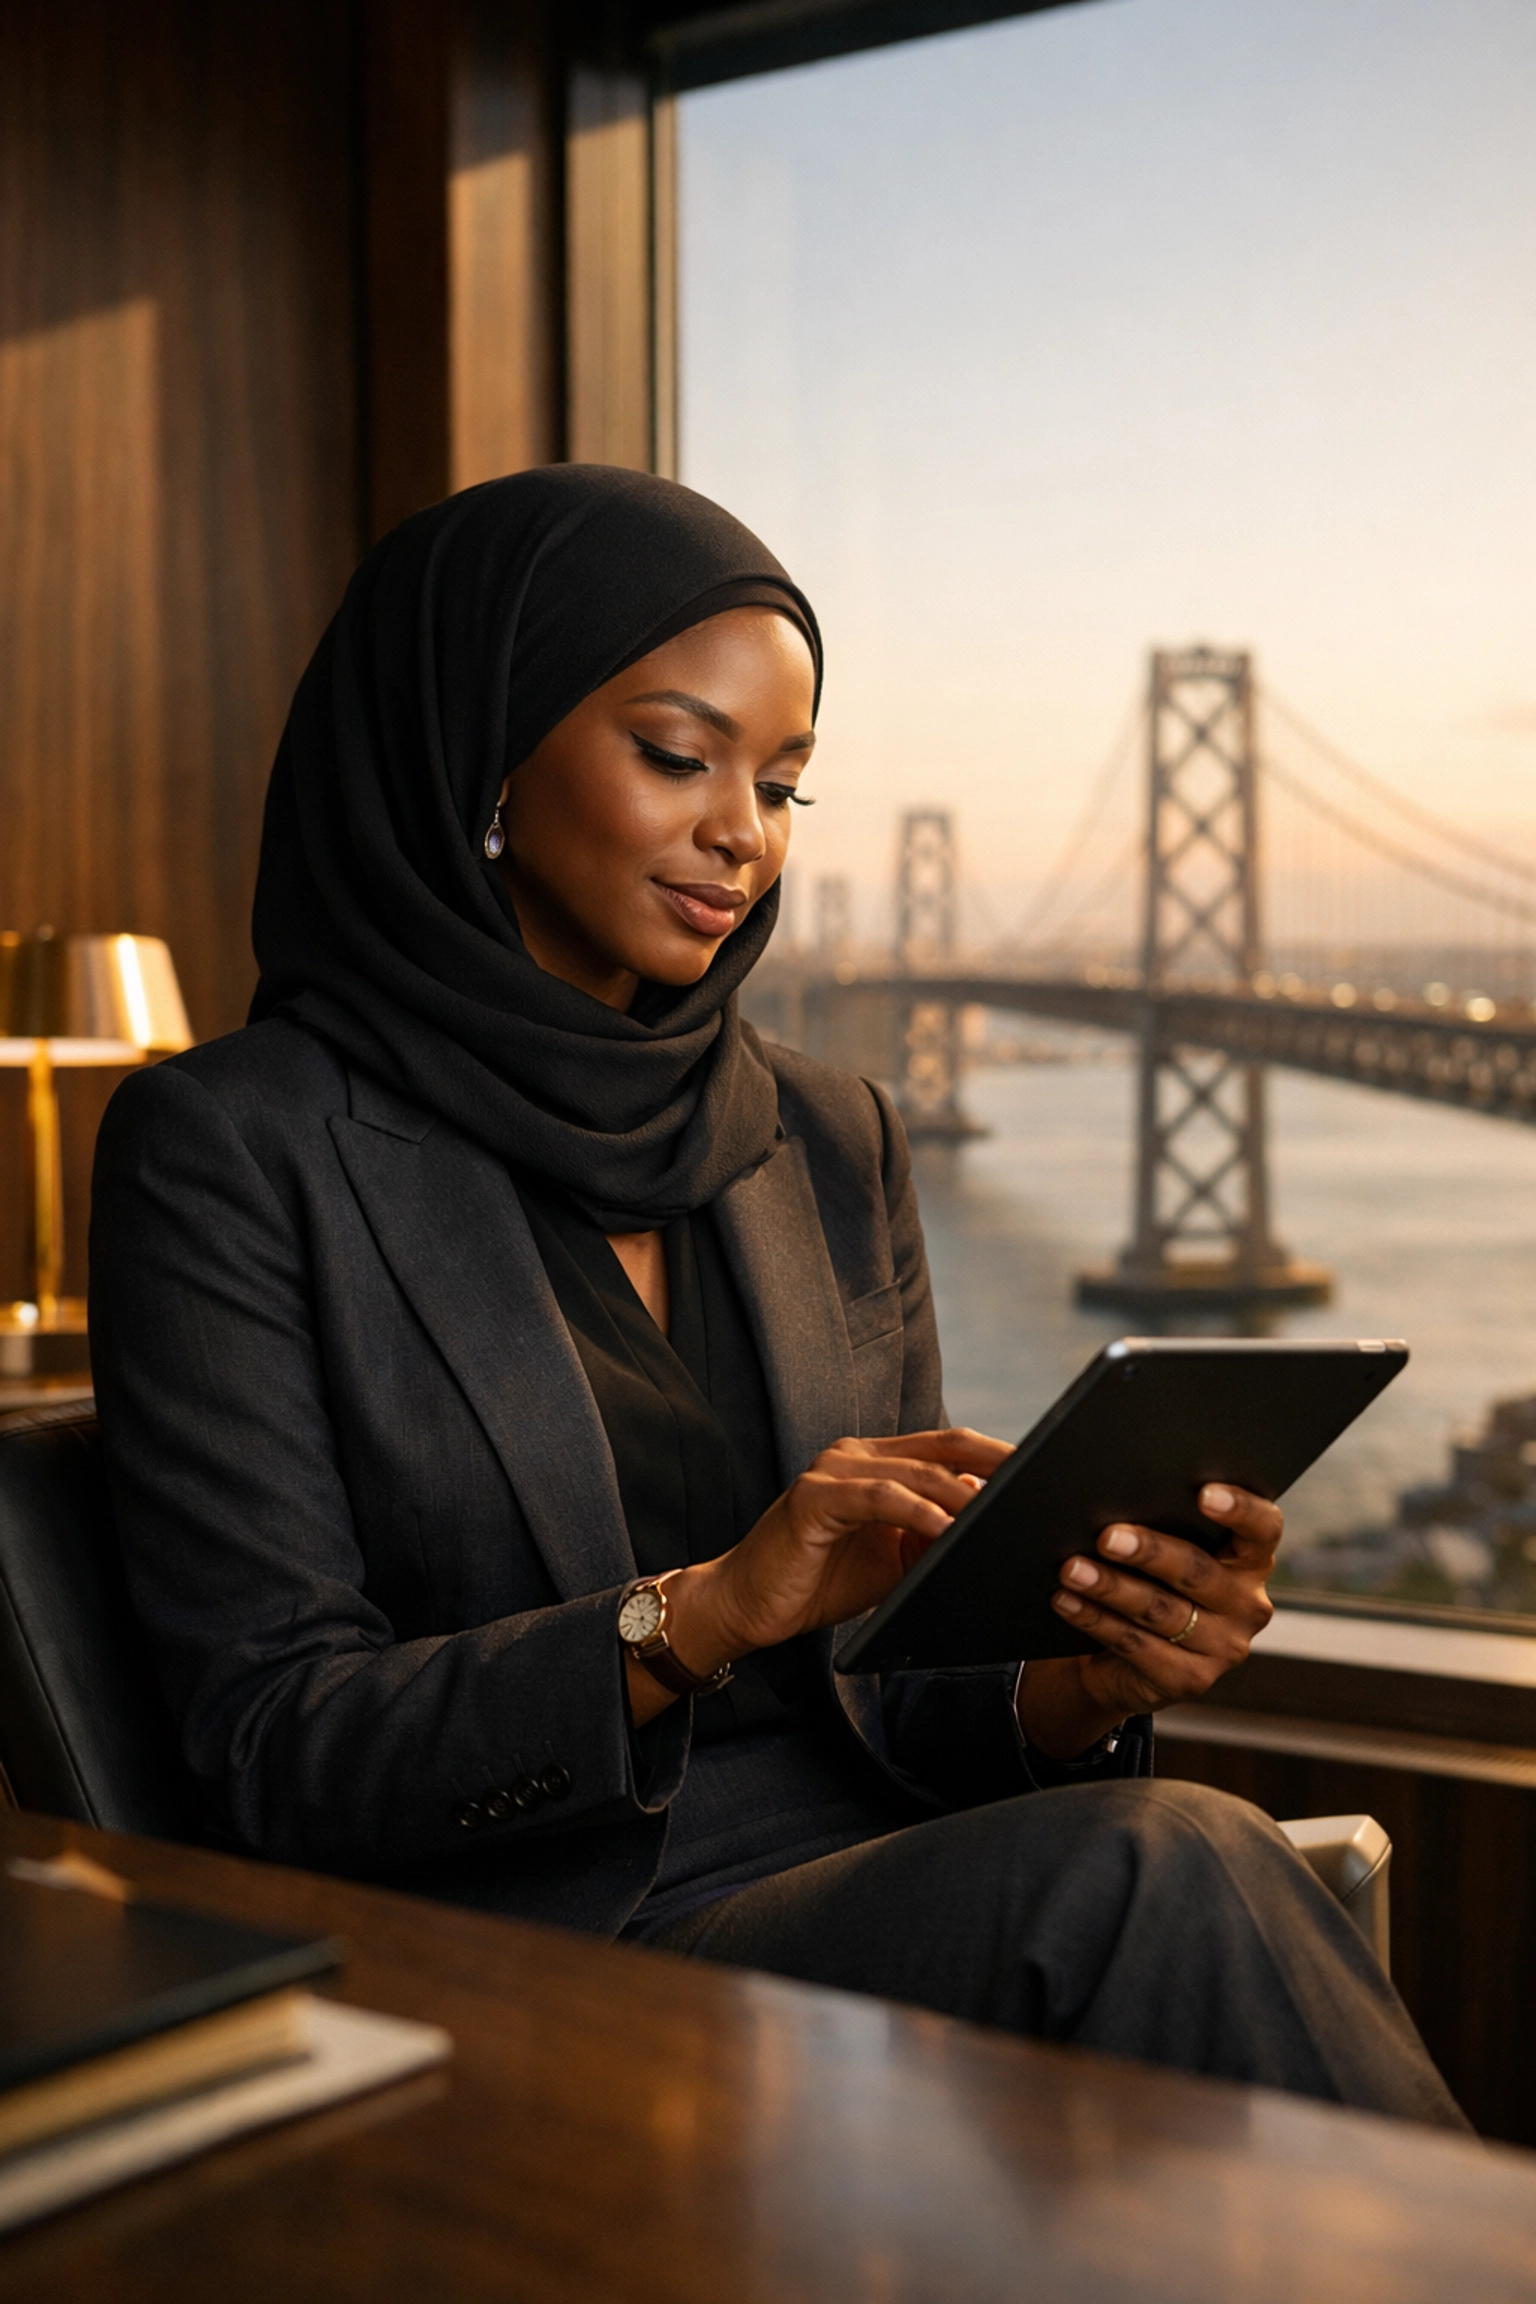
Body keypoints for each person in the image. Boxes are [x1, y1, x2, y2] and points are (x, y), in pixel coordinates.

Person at [89, 465, 1463, 2126]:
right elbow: (272, 1748)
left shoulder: (829, 1134)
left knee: (1162, 1891)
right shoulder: (233, 1148)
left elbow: (903, 1684)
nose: (742, 831)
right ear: (486, 754)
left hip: (890, 1886)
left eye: (787, 785)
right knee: (1167, 1877)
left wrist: (1081, 1680)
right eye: (679, 755)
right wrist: (707, 1610)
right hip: (529, 1947)